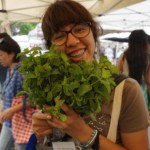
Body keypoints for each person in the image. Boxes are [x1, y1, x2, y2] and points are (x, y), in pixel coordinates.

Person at [31, 1, 150, 150]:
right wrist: (42, 133)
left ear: (93, 33)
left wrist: (86, 134)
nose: (73, 41)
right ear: (51, 47)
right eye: (60, 36)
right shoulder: (52, 90)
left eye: (80, 29)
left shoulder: (126, 90)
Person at [0, 34, 34, 150]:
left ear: (11, 54)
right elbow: (4, 95)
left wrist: (11, 110)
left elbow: (34, 98)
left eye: (1, 55)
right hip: (8, 123)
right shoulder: (9, 70)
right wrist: (2, 110)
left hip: (21, 123)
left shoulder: (22, 72)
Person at [117, 30, 150, 110]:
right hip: (143, 92)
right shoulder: (148, 57)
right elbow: (149, 80)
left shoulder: (124, 55)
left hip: (126, 90)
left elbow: (118, 73)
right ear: (144, 42)